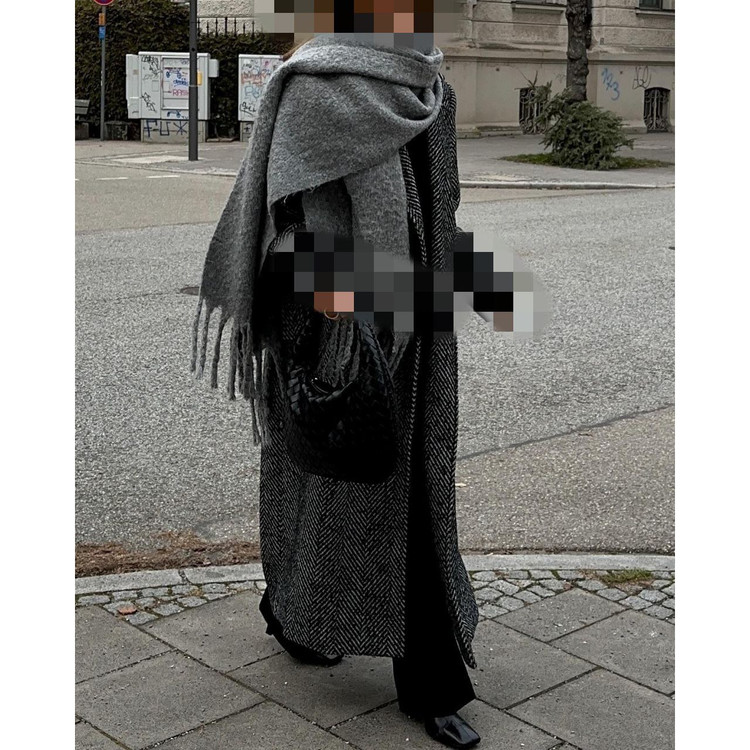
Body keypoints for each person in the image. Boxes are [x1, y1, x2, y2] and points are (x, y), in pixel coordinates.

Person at [191, 14, 481, 749]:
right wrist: (352, 299)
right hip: (334, 325)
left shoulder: (430, 87)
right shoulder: (313, 85)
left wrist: (462, 283)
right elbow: (282, 218)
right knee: (316, 478)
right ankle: (298, 614)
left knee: (412, 495)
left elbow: (440, 205)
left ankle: (431, 680)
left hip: (418, 324)